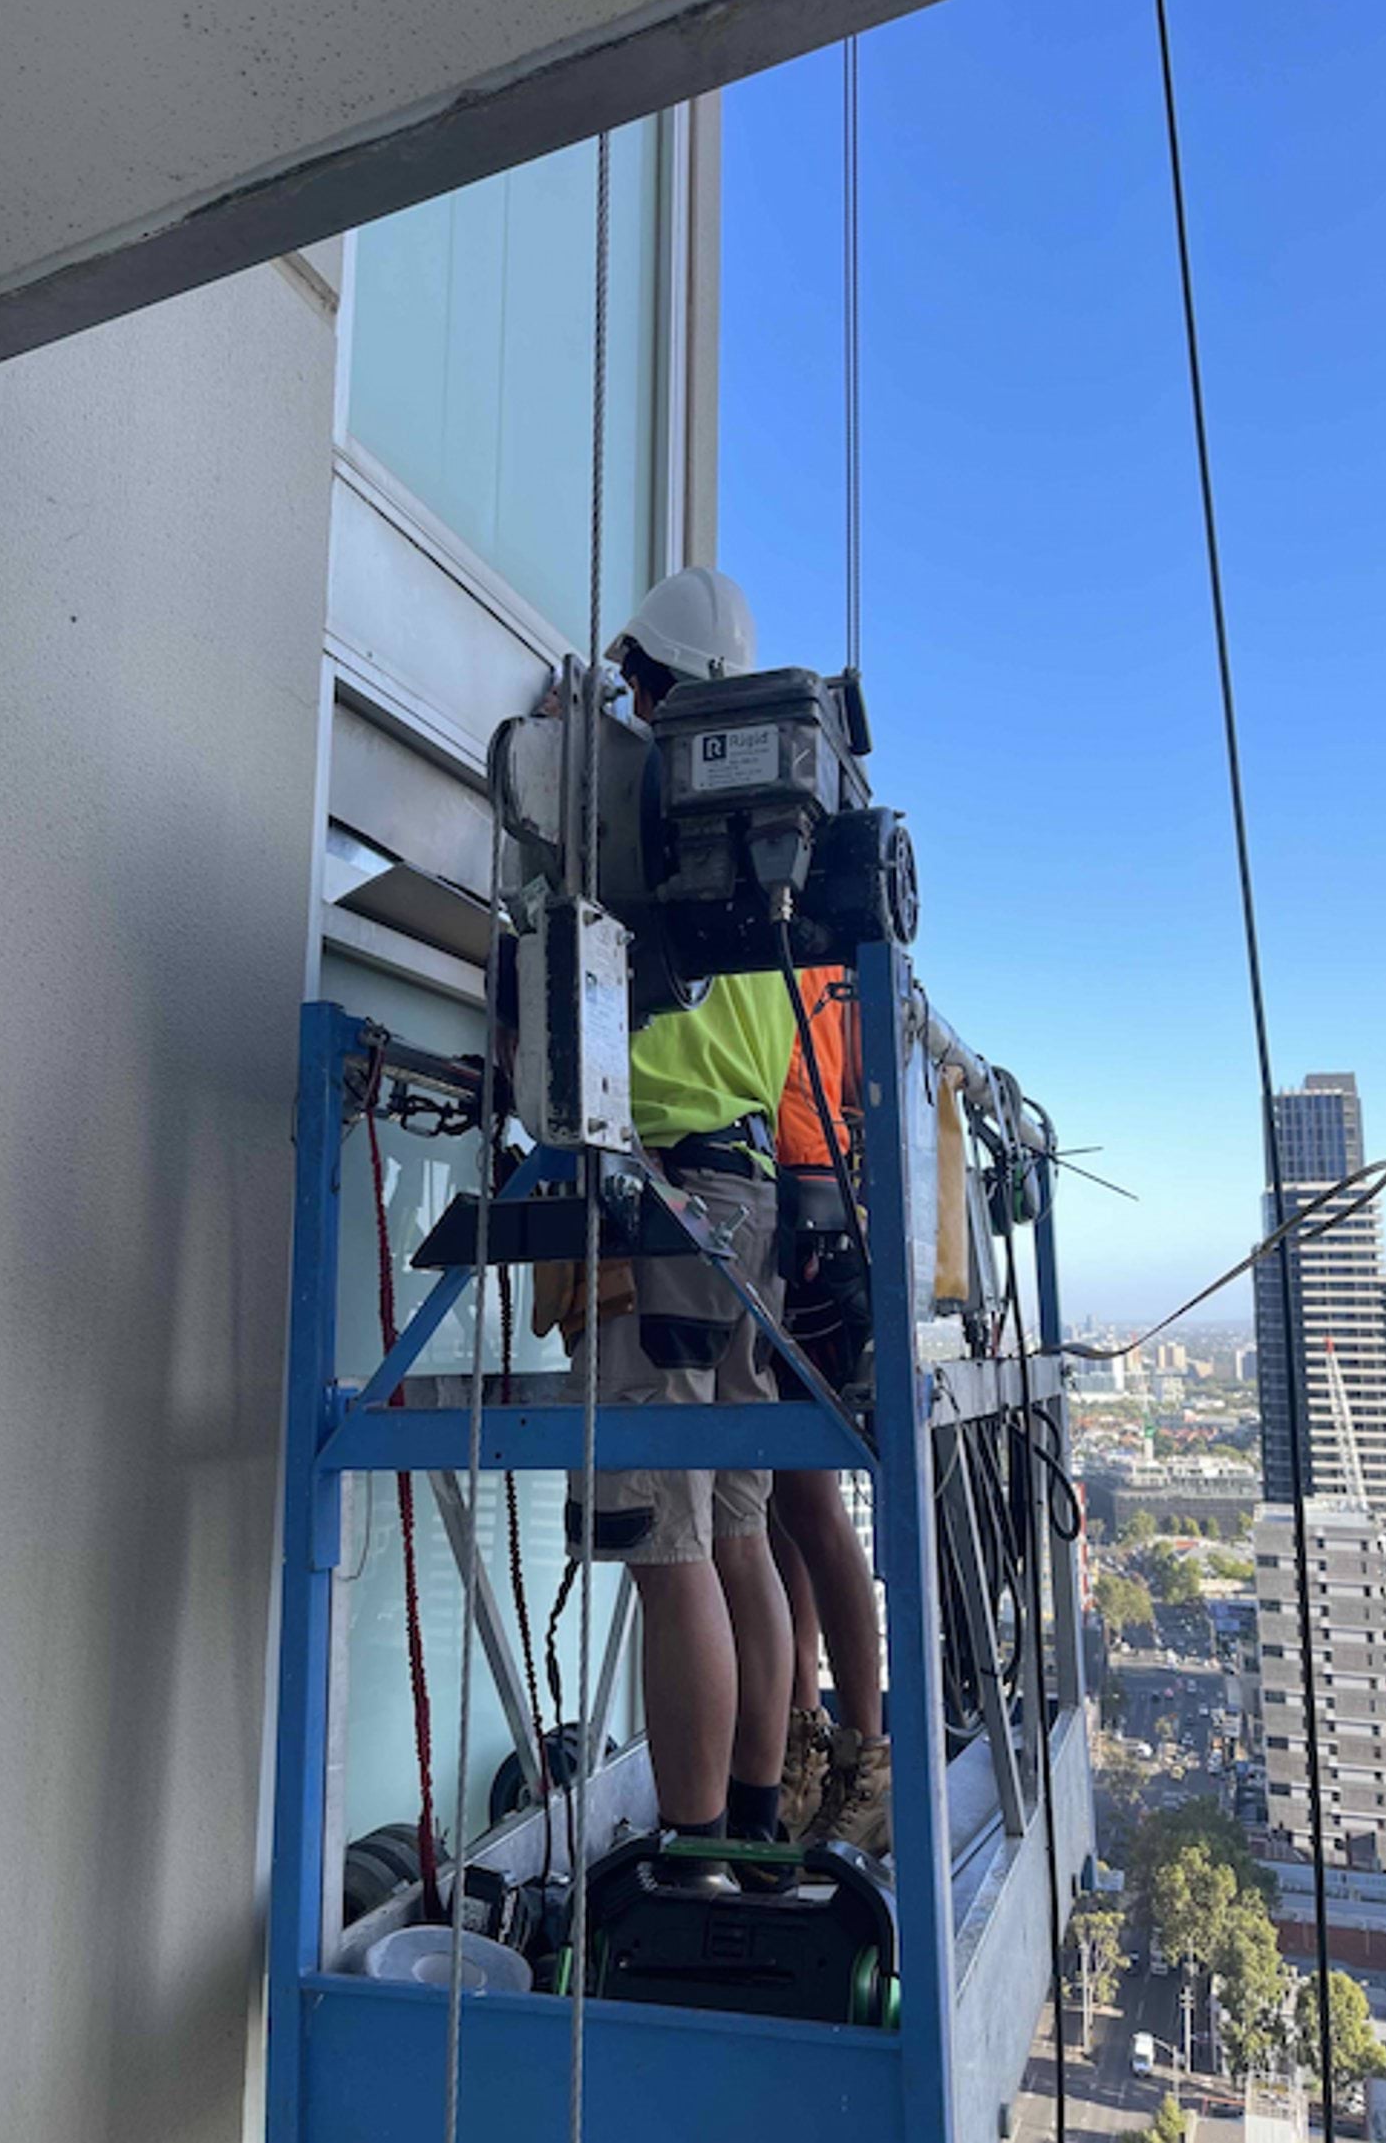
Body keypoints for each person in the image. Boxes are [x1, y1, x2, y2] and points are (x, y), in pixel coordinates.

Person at [562, 567, 797, 1856]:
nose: (635, 710)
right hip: (747, 1202)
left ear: (668, 691)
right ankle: (753, 1833)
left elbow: (635, 1038)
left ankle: (693, 1864)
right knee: (741, 1529)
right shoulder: (766, 848)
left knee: (672, 1553)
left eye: (641, 686)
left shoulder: (670, 824)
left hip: (672, 1203)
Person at [769, 967, 892, 1856]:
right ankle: (808, 1734)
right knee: (784, 1499)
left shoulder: (815, 954)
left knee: (805, 1500)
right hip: (802, 1196)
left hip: (804, 1205)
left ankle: (863, 1755)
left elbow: (852, 1088)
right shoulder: (826, 953)